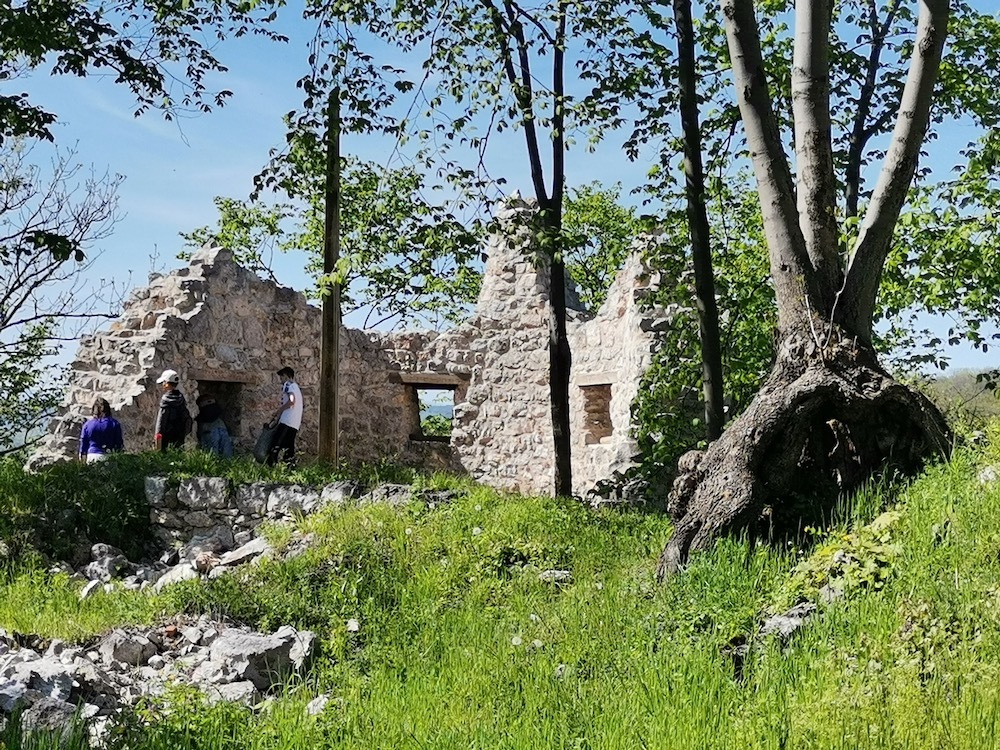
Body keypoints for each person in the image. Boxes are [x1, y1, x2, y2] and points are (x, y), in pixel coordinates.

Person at [267, 365, 302, 466]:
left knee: (276, 444)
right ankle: (290, 467)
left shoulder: (288, 385)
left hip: (287, 421)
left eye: (281, 377)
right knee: (288, 447)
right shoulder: (296, 387)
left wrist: (280, 410)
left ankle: (271, 466)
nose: (281, 380)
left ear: (286, 376)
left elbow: (291, 401)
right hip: (295, 423)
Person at [154, 369, 190, 451]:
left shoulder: (165, 400)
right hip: (179, 438)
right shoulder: (181, 399)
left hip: (166, 439)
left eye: (164, 382)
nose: (163, 384)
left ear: (167, 384)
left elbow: (161, 422)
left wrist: (158, 440)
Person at [79, 398, 124, 463]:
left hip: (92, 456)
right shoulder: (114, 423)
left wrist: (82, 459)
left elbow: (83, 444)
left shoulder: (87, 425)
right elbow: (119, 444)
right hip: (108, 457)